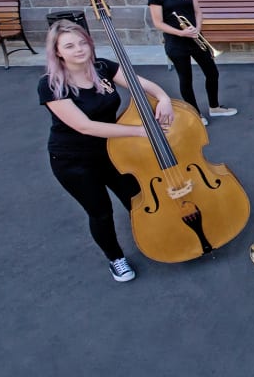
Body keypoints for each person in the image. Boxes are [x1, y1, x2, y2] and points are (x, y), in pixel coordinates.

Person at [38, 20, 175, 282]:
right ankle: (116, 258)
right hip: (73, 161)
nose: (79, 49)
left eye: (81, 42)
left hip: (113, 152)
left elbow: (140, 83)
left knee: (137, 198)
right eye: (69, 45)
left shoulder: (102, 67)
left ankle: (156, 237)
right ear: (57, 52)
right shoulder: (50, 85)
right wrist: (139, 132)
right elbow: (85, 126)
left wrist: (164, 98)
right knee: (101, 212)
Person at [147, 0, 237, 125]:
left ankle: (215, 107)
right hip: (176, 42)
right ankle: (195, 114)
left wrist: (197, 29)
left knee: (212, 72)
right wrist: (181, 33)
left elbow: (198, 12)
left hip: (196, 38)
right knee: (186, 79)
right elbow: (158, 23)